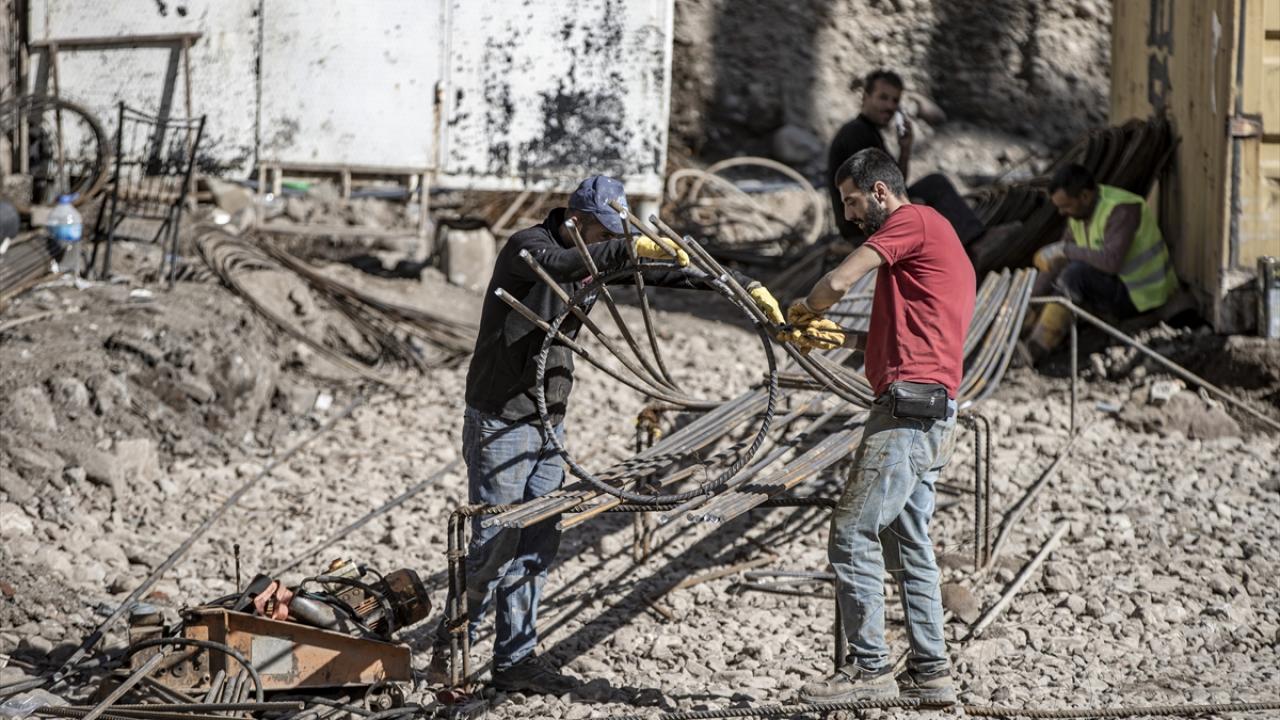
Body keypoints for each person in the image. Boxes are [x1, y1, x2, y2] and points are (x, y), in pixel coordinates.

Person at [427, 175, 784, 694]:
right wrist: (623, 247)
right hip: (501, 419)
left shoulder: (593, 251)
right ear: (575, 220)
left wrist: (736, 285)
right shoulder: (530, 246)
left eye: (612, 236)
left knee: (537, 543)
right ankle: (450, 652)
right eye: (601, 234)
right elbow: (563, 266)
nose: (604, 244)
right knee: (493, 544)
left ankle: (515, 661)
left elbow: (662, 273)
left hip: (549, 417)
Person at [783, 148, 974, 706]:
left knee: (851, 532)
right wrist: (833, 338)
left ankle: (871, 671)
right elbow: (897, 342)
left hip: (907, 414)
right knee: (907, 540)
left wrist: (806, 309)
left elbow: (839, 281)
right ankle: (931, 672)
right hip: (933, 408)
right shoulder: (932, 241)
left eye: (851, 200)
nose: (847, 214)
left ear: (882, 192)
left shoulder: (911, 220)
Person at [826, 69, 1013, 249]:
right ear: (865, 97)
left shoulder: (870, 133)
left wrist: (905, 148)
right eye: (883, 98)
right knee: (935, 186)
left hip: (872, 215)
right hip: (862, 226)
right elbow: (870, 194)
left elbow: (894, 183)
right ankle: (976, 246)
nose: (890, 106)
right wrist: (910, 205)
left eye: (895, 100)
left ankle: (968, 244)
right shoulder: (856, 133)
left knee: (931, 187)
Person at [1025, 163, 1178, 356]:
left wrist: (1066, 250)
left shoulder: (1122, 210)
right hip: (1115, 287)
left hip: (1142, 296)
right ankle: (1028, 330)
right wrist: (1031, 300)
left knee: (1075, 275)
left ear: (1085, 197)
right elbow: (1059, 258)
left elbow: (1111, 262)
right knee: (1065, 271)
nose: (1061, 213)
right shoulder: (1079, 214)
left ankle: (1037, 348)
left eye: (1065, 206)